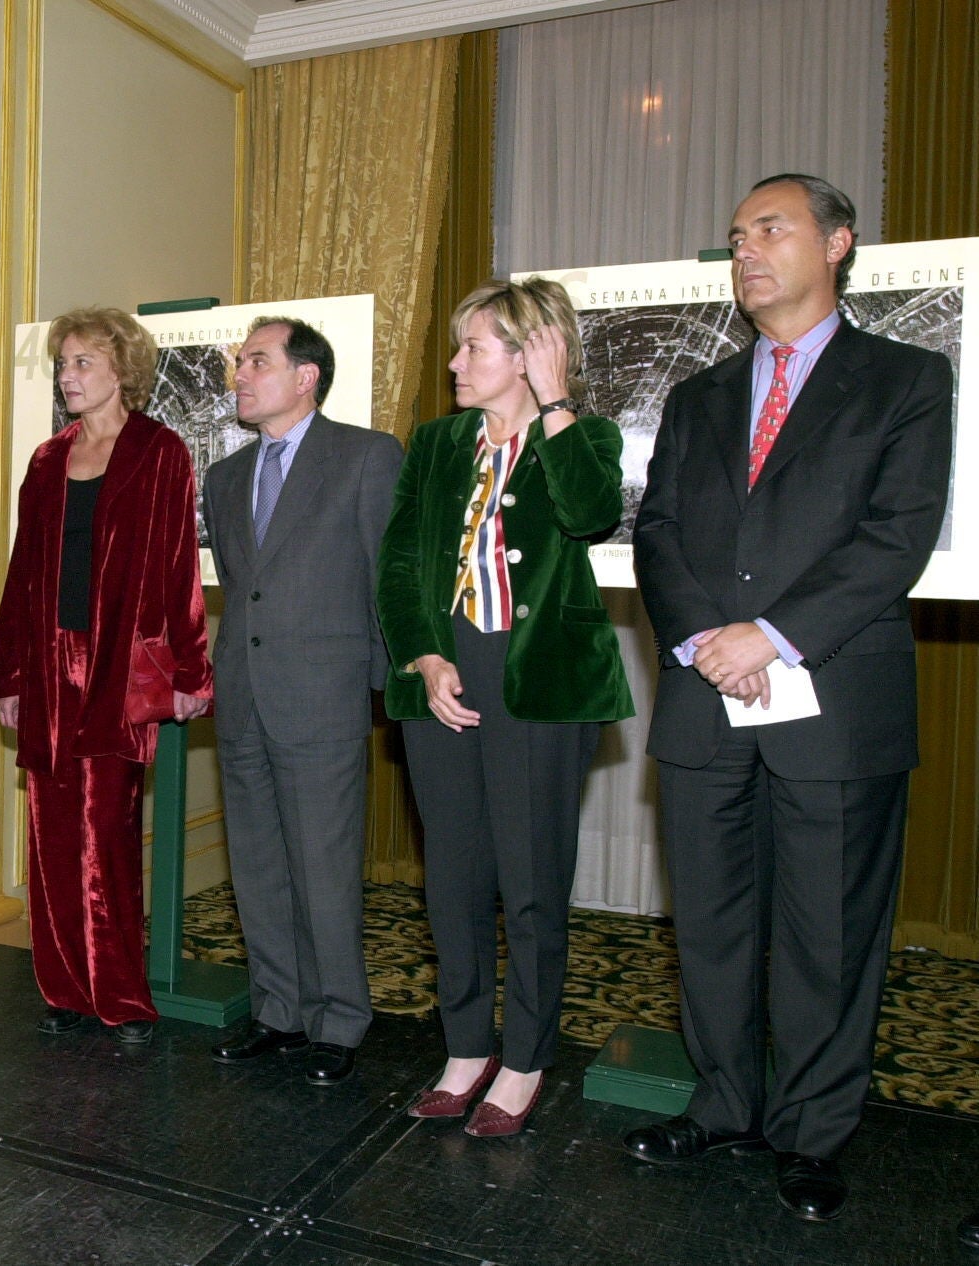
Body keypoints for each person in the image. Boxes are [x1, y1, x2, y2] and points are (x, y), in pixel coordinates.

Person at [626, 174, 952, 1221]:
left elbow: (894, 537)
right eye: (736, 236)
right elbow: (661, 533)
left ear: (839, 242)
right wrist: (700, 641)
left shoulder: (906, 378)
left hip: (836, 703)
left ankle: (812, 1132)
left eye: (771, 228)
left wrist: (769, 636)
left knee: (828, 935)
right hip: (702, 700)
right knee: (713, 927)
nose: (747, 250)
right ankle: (724, 1104)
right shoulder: (699, 395)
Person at [376, 279, 631, 1136]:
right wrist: (422, 655)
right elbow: (400, 565)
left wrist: (554, 404)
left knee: (528, 884)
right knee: (451, 880)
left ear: (528, 355)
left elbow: (590, 514)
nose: (453, 362)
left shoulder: (583, 437)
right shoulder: (437, 441)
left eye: (474, 347)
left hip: (539, 685)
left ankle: (523, 1058)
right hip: (440, 676)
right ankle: (462, 1048)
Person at [0, 306, 212, 1044]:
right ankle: (64, 989)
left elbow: (178, 565)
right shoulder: (48, 459)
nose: (67, 376)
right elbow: (23, 576)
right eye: (62, 364)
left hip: (117, 666)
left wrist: (186, 669)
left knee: (106, 832)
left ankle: (120, 994)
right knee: (49, 832)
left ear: (122, 370)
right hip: (50, 666)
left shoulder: (159, 450)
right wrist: (11, 674)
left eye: (82, 362)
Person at [203, 316, 402, 1086]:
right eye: (238, 363)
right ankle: (277, 1011)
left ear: (304, 376)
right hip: (245, 698)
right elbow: (243, 591)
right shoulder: (225, 479)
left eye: (256, 361)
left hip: (323, 697)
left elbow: (387, 576)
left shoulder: (365, 456)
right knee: (256, 865)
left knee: (322, 867)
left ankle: (337, 1019)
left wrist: (389, 691)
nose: (239, 375)